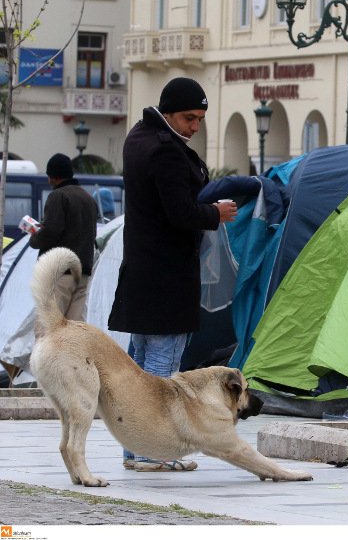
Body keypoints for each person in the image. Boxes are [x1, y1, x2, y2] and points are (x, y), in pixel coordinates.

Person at [108, 77, 237, 472]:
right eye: (188, 118)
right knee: (161, 369)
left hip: (141, 270)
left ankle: (134, 449)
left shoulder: (138, 137)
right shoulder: (165, 150)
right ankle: (153, 451)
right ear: (168, 112)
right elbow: (179, 212)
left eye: (200, 120)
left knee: (138, 367)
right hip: (167, 275)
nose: (194, 127)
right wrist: (216, 213)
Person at [29, 153, 98, 321]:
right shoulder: (88, 198)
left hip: (60, 272)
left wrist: (34, 238)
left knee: (48, 326)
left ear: (54, 176)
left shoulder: (58, 196)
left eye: (49, 176)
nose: (48, 181)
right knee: (73, 328)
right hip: (83, 272)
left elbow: (51, 232)